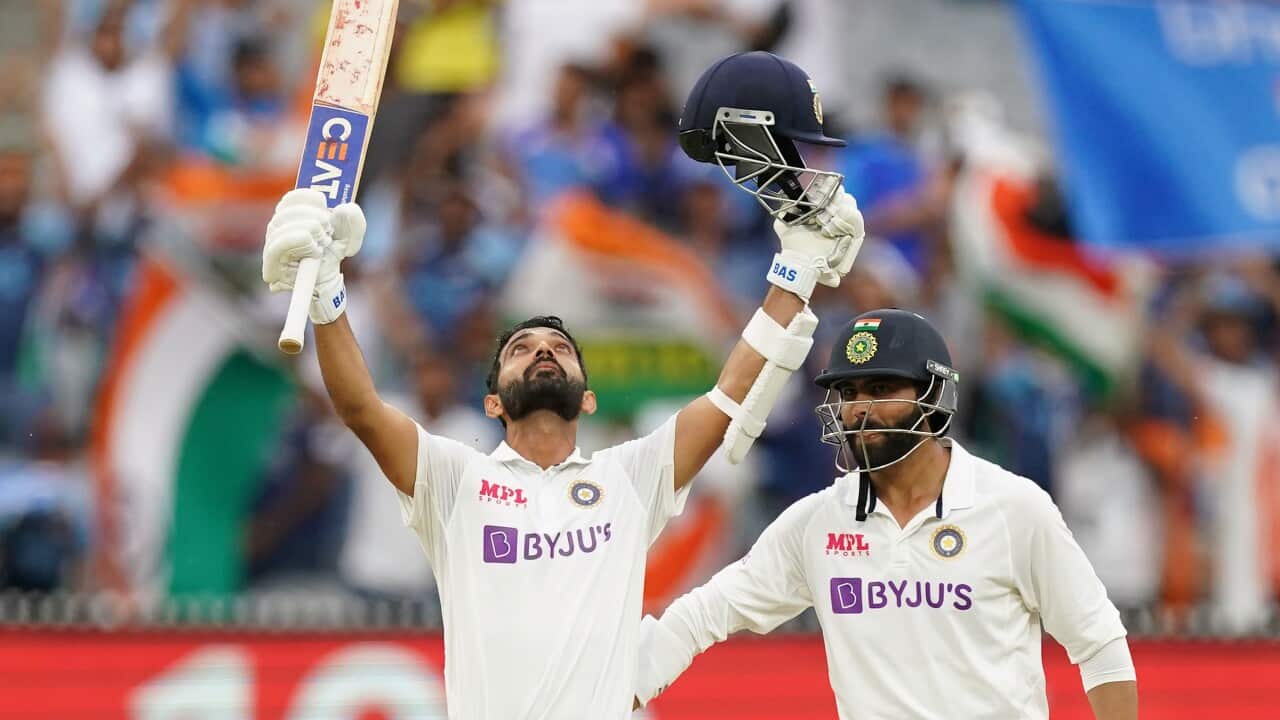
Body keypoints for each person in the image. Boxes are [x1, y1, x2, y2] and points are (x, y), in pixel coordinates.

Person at [261, 50, 865, 720]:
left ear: (588, 396)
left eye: (559, 349)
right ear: (492, 401)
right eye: (522, 348)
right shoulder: (455, 480)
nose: (543, 352)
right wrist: (326, 296)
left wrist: (797, 271)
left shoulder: (629, 478)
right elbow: (360, 407)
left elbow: (728, 398)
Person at [635, 308, 1139, 719]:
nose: (859, 410)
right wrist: (614, 689)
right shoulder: (818, 523)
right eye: (849, 394)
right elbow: (701, 616)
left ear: (934, 397)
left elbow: (1099, 646)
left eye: (881, 390)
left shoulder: (1012, 507)